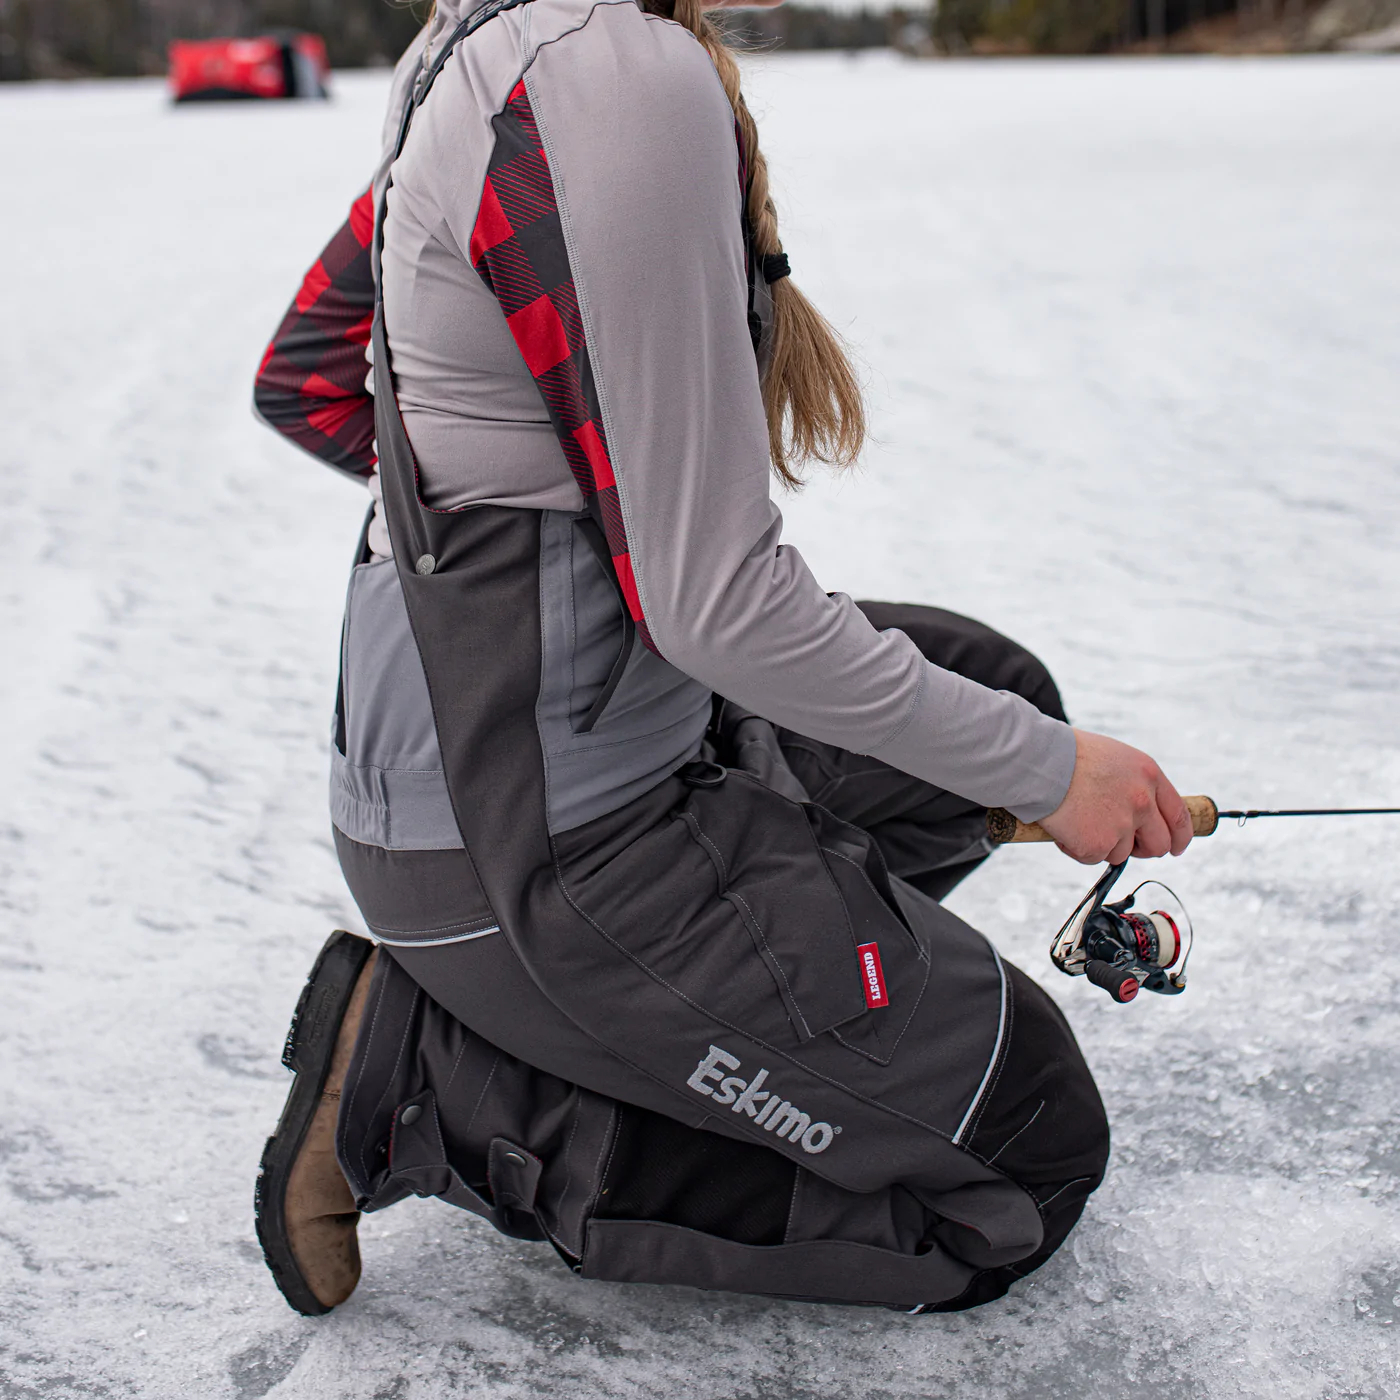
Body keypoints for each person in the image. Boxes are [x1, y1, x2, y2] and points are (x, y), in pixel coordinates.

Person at [251, 0, 1193, 1320]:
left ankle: (731, 1013)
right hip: (538, 852)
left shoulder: (475, 43)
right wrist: (1049, 774)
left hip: (510, 773)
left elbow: (303, 380)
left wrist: (527, 522)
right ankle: (442, 1081)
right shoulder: (606, 74)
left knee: (992, 683)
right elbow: (714, 607)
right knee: (1020, 1156)